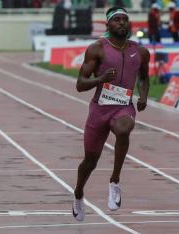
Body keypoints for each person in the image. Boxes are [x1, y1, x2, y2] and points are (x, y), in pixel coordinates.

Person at [72, 7, 149, 221]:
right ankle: (78, 193)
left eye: (125, 19)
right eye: (117, 20)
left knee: (124, 129)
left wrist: (143, 96)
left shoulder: (140, 52)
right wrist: (100, 79)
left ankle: (114, 181)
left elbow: (144, 77)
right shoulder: (97, 49)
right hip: (100, 109)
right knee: (90, 161)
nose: (122, 23)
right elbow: (80, 84)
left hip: (123, 107)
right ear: (108, 25)